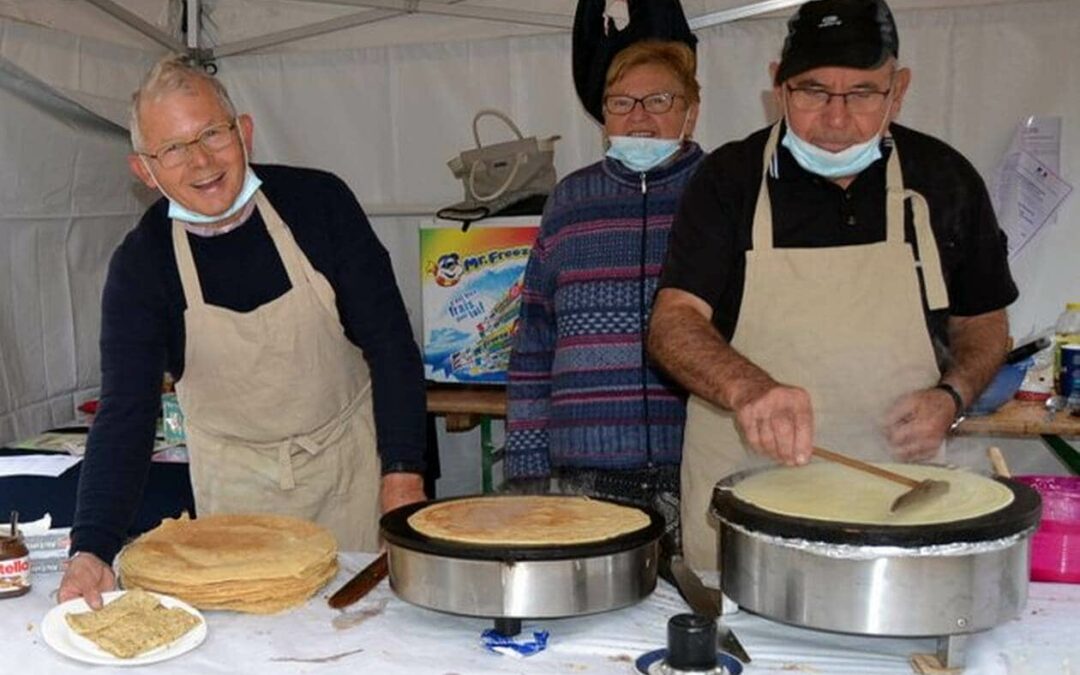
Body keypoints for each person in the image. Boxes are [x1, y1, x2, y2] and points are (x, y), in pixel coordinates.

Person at [648, 0, 1017, 571]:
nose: (837, 120)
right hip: (750, 503)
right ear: (778, 85)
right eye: (813, 91)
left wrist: (952, 396)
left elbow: (984, 320)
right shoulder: (728, 180)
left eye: (863, 93)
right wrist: (748, 388)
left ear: (898, 89)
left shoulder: (944, 179)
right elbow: (673, 321)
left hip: (898, 498)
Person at [60, 56, 427, 606]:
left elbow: (392, 346)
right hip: (234, 493)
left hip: (351, 473)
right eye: (173, 149)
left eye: (212, 133)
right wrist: (91, 548)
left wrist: (402, 477)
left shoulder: (319, 204)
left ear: (244, 133)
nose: (201, 161)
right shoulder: (143, 264)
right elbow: (125, 414)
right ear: (145, 170)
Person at [504, 37, 703, 554]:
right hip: (581, 473)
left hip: (696, 467)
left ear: (691, 112)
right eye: (621, 102)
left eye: (659, 100)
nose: (638, 116)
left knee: (696, 600)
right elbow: (533, 341)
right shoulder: (570, 200)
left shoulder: (718, 193)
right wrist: (527, 465)